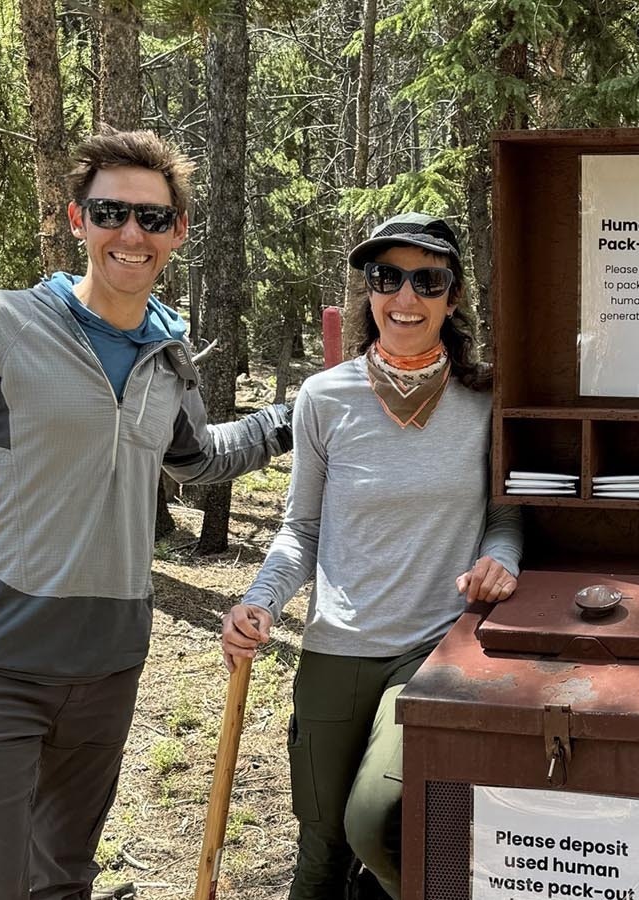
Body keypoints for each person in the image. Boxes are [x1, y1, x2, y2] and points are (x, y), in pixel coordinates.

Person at [0, 128, 294, 899]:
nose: (131, 233)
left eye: (154, 218)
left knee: (64, 877)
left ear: (178, 233)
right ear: (78, 221)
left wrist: (295, 417)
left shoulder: (167, 355)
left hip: (109, 664)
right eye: (111, 211)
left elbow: (195, 458)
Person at [220, 212, 522, 900]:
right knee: (318, 851)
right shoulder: (326, 399)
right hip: (335, 649)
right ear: (368, 290)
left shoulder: (487, 400)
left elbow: (506, 521)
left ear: (454, 297)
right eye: (387, 277)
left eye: (428, 279)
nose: (405, 298)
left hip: (434, 646)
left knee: (374, 822)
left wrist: (501, 561)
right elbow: (302, 529)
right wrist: (261, 600)